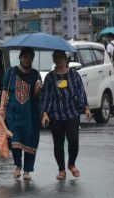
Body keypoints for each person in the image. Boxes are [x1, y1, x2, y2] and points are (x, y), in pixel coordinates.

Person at [41, 50, 92, 180]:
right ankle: (61, 170)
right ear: (54, 60)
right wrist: (45, 113)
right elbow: (46, 96)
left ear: (65, 59)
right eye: (56, 58)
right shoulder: (50, 77)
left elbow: (81, 91)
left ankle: (71, 164)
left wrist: (86, 108)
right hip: (56, 115)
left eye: (61, 58)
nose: (58, 60)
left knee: (73, 140)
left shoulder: (74, 75)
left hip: (71, 112)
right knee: (58, 143)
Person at [0, 47, 42, 180]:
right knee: (15, 140)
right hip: (14, 113)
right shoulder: (11, 72)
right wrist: (1, 107)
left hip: (30, 114)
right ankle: (18, 166)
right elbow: (5, 90)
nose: (27, 60)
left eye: (30, 58)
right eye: (25, 57)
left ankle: (27, 171)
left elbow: (37, 96)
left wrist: (38, 89)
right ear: (20, 57)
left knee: (30, 141)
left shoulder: (36, 74)